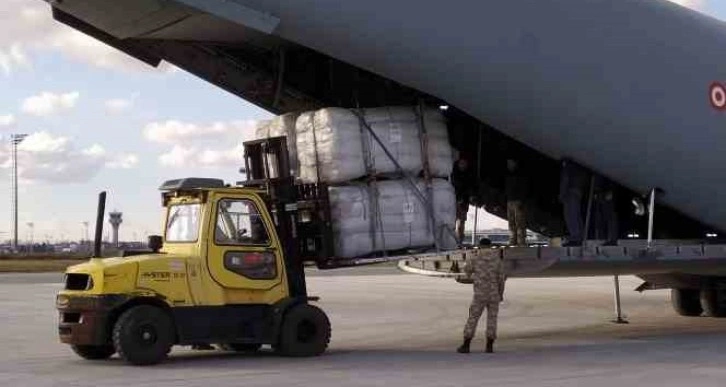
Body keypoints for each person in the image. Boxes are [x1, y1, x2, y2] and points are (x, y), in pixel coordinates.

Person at [457, 238, 507, 354]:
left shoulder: (475, 257)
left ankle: (466, 345)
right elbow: (501, 279)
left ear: (480, 246)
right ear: (490, 246)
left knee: (473, 318)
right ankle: (489, 346)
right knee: (492, 320)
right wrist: (500, 294)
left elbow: (467, 270)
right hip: (494, 293)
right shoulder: (497, 259)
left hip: (480, 294)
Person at [559, 158, 589, 246]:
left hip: (570, 192)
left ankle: (575, 238)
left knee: (570, 215)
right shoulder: (581, 166)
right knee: (576, 215)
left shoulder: (568, 166)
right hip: (578, 192)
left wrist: (562, 194)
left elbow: (565, 179)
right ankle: (580, 236)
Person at [451, 157, 476, 242]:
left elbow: (470, 189)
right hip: (454, 201)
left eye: (464, 164)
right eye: (461, 163)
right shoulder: (454, 175)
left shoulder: (469, 176)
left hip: (463, 202)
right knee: (452, 222)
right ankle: (452, 240)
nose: (463, 165)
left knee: (461, 223)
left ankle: (459, 240)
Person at [505, 159, 528, 246]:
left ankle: (521, 241)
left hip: (518, 201)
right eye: (508, 163)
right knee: (511, 222)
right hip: (510, 200)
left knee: (520, 222)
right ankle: (513, 240)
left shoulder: (520, 175)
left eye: (511, 163)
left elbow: (523, 189)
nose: (509, 165)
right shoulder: (508, 175)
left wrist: (522, 200)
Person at [592, 175, 619, 246]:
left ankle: (612, 239)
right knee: (603, 215)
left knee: (610, 216)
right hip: (603, 192)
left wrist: (611, 191)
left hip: (607, 191)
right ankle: (607, 238)